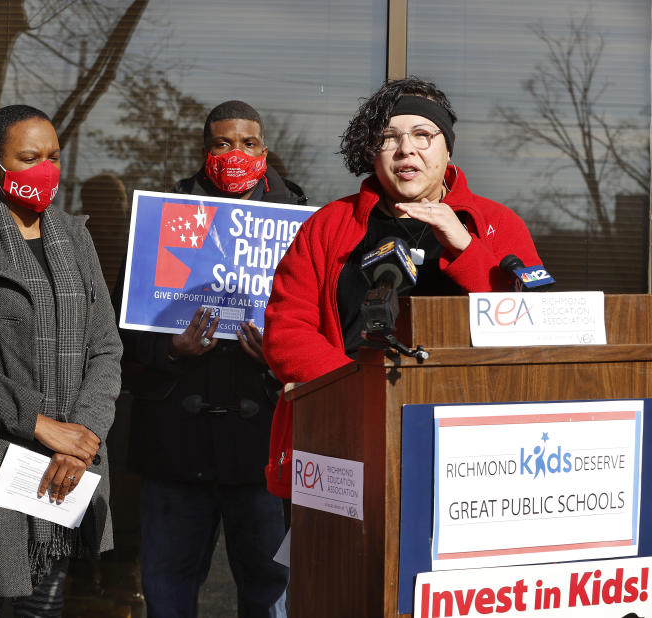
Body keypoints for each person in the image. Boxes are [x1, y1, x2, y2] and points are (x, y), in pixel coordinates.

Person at [262, 77, 543, 499]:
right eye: (389, 137)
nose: (405, 149)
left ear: (447, 148)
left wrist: (465, 248)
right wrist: (359, 392)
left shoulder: (496, 225)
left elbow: (534, 330)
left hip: (471, 452)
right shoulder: (328, 226)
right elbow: (287, 332)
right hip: (344, 434)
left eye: (422, 135)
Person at [0, 104, 121, 616]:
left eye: (54, 156)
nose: (46, 169)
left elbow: (106, 348)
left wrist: (79, 437)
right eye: (29, 157)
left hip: (68, 471)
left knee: (47, 605)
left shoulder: (76, 239)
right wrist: (42, 425)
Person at [123, 100, 304, 618]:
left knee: (271, 594)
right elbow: (124, 331)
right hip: (177, 450)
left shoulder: (298, 220)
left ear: (264, 151)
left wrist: (278, 358)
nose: (236, 153)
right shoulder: (165, 216)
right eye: (224, 143)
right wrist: (170, 349)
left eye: (248, 143)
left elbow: (322, 328)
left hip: (264, 451)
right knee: (167, 591)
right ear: (206, 153)